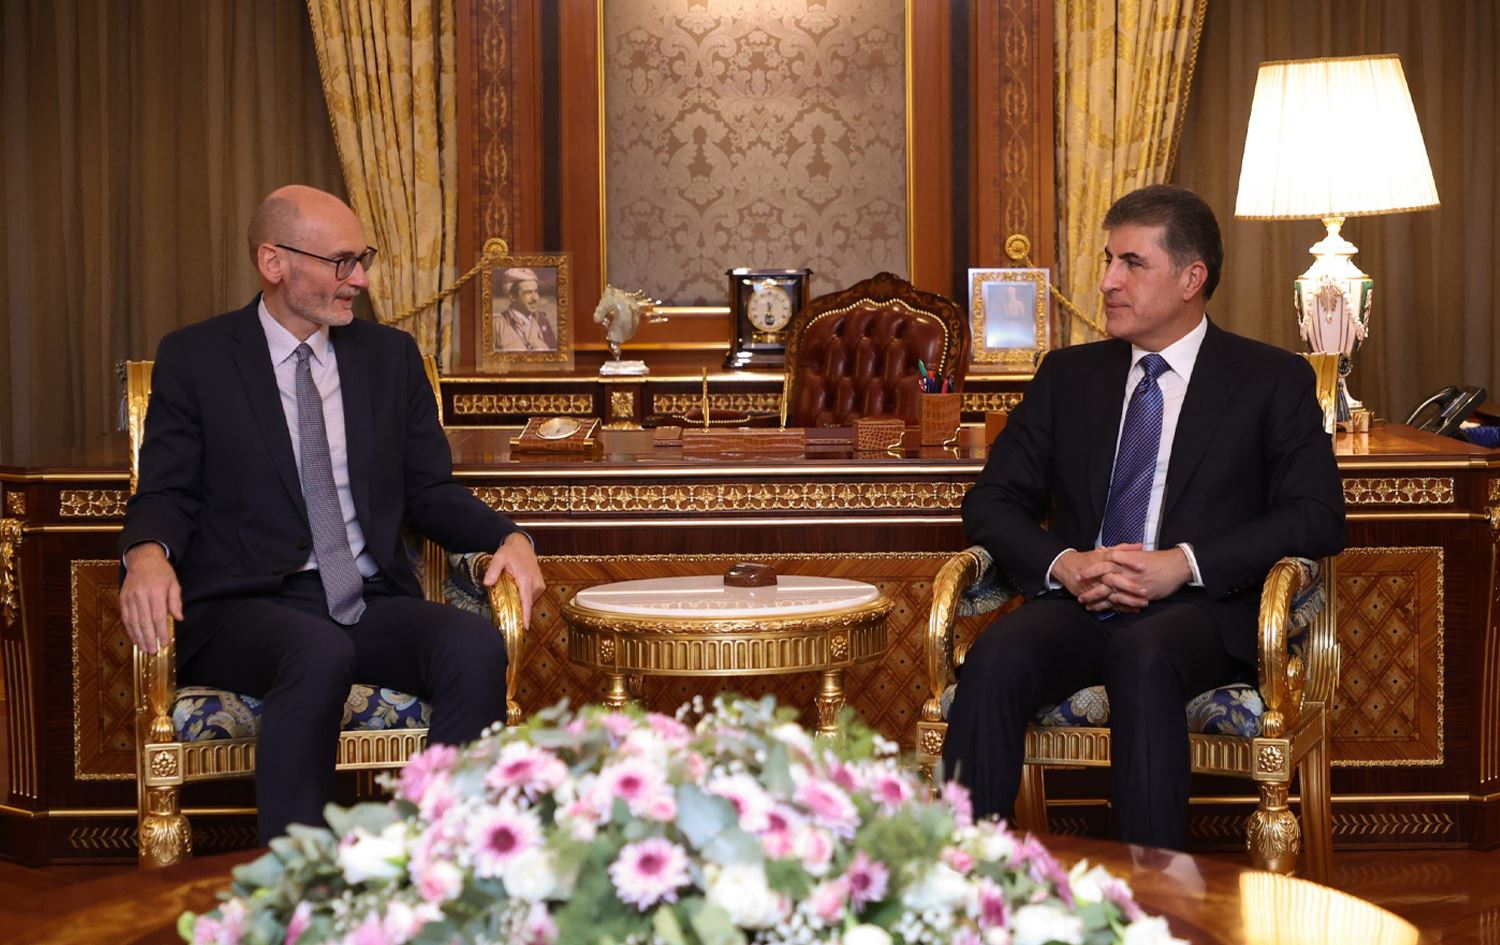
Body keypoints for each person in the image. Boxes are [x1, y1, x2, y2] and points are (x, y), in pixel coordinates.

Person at [118, 185, 546, 844]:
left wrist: (508, 535)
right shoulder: (198, 358)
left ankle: (444, 856)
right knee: (316, 650)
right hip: (243, 607)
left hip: (362, 599)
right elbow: (166, 491)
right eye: (342, 262)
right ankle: (297, 877)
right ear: (274, 262)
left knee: (471, 644)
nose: (361, 280)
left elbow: (429, 490)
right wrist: (147, 554)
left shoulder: (389, 358)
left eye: (361, 259)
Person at [943, 184, 1346, 850]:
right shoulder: (1068, 376)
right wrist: (1065, 564)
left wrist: (1181, 564)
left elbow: (1317, 515)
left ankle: (1152, 890)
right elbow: (991, 500)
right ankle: (961, 877)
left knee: (1143, 653)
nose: (1108, 281)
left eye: (1131, 263)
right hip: (1082, 599)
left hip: (1200, 610)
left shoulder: (1270, 379)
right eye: (1109, 260)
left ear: (1191, 278)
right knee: (997, 655)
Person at [493, 267, 559, 352]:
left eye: (536, 291)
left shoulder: (542, 320)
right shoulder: (497, 324)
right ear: (512, 297)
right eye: (528, 292)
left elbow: (554, 354)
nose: (535, 298)